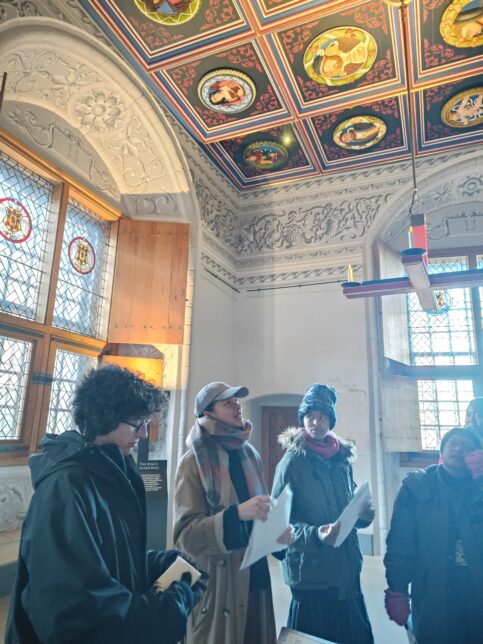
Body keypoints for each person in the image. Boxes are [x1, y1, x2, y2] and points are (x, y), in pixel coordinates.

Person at [6, 365, 204, 644]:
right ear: (106, 419)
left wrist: (156, 563)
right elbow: (74, 612)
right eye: (138, 425)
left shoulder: (108, 474)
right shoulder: (65, 489)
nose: (144, 434)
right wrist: (171, 607)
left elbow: (105, 561)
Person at [173, 381, 294, 644]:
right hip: (219, 588)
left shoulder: (250, 455)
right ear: (207, 412)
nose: (236, 406)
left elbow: (260, 516)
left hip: (255, 578)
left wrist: (277, 536)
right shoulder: (193, 461)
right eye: (227, 402)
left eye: (236, 401)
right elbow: (185, 536)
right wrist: (235, 515)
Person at [272, 383, 375, 644]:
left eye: (322, 416)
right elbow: (277, 523)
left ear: (331, 420)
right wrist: (316, 535)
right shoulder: (292, 461)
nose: (315, 422)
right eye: (309, 416)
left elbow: (346, 507)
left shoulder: (342, 460)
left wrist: (362, 515)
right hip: (311, 578)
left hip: (346, 574)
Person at [384, 427, 483, 644]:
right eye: (453, 443)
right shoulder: (417, 487)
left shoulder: (479, 487)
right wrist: (397, 589)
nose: (458, 449)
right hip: (433, 594)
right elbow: (401, 544)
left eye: (467, 446)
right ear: (441, 450)